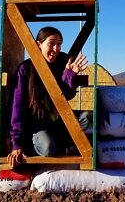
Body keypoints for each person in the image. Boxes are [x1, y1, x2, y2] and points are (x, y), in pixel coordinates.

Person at [7, 26, 88, 167]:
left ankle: (64, 143)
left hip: (58, 119)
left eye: (59, 44)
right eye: (51, 43)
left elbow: (67, 95)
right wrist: (17, 144)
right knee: (48, 147)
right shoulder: (26, 69)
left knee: (88, 118)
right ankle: (35, 145)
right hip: (37, 125)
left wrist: (70, 74)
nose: (56, 48)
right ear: (38, 45)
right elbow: (17, 108)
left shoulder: (62, 63)